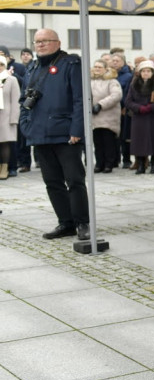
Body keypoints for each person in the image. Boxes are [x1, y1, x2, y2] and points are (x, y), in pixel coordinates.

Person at [19, 29, 90, 240]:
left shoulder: (70, 64)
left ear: (57, 43)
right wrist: (26, 126)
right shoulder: (31, 68)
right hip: (39, 133)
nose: (40, 45)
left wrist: (77, 129)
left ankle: (82, 223)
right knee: (52, 182)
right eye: (37, 41)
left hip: (65, 134)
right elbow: (24, 102)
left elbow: (80, 99)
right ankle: (65, 222)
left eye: (45, 41)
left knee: (75, 180)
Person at [124, 60, 154, 174]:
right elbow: (128, 101)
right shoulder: (134, 84)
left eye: (148, 71)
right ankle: (141, 165)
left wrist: (152, 107)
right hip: (139, 117)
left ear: (152, 72)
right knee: (139, 142)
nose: (145, 73)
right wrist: (139, 108)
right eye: (143, 71)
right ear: (140, 72)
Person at [89, 60, 122, 174]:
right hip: (94, 117)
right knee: (97, 142)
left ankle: (109, 164)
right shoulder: (90, 81)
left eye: (100, 67)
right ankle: (99, 164)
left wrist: (100, 104)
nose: (97, 69)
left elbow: (116, 95)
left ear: (105, 69)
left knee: (108, 142)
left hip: (108, 116)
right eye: (95, 67)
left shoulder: (112, 81)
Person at [109, 52, 133, 169]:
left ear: (123, 62)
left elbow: (128, 92)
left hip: (122, 109)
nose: (114, 62)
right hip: (109, 109)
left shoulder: (128, 76)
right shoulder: (108, 75)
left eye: (117, 61)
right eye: (113, 60)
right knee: (112, 137)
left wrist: (124, 106)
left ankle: (126, 159)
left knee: (124, 136)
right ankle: (114, 159)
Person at [0, 54, 21, 179]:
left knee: (5, 144)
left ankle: (5, 167)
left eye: (1, 64)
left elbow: (16, 100)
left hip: (6, 116)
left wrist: (14, 118)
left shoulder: (11, 79)